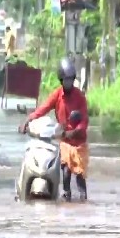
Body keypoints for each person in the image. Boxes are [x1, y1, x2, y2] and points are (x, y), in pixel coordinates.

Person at [19, 57, 89, 201]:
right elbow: (43, 108)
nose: (68, 83)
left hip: (79, 140)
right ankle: (66, 195)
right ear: (61, 80)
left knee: (80, 175)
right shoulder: (57, 95)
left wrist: (74, 131)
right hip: (64, 139)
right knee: (66, 172)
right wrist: (28, 119)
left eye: (71, 80)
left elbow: (84, 121)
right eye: (66, 80)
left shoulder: (80, 97)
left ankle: (83, 198)